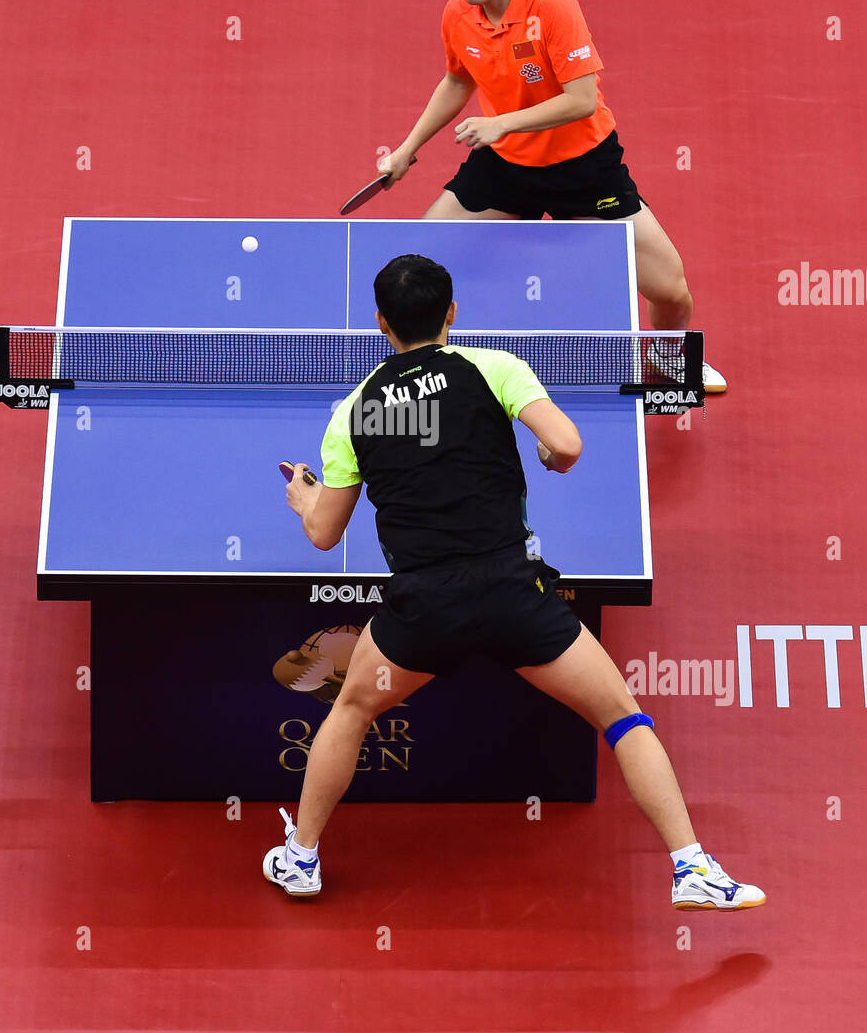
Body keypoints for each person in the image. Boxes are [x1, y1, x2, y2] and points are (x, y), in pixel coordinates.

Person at [263, 254, 763, 910]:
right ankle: (691, 868)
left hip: (422, 610)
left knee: (351, 709)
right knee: (621, 717)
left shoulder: (351, 412)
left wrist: (304, 498)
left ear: (380, 323)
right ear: (452, 314)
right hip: (513, 595)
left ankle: (300, 859)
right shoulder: (494, 367)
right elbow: (567, 444)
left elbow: (325, 534)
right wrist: (550, 457)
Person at [376, 0, 725, 393]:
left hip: (582, 167)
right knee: (420, 266)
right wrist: (407, 149)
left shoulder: (551, 3)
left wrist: (502, 124)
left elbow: (581, 100)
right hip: (506, 168)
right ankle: (426, 373)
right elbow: (457, 80)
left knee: (671, 290)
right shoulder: (458, 14)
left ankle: (669, 367)